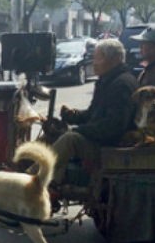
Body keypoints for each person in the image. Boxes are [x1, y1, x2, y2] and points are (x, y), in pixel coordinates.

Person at [50, 39, 138, 186]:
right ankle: (42, 176)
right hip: (100, 139)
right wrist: (72, 116)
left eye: (98, 58)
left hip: (109, 145)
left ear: (114, 59)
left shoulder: (122, 84)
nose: (94, 62)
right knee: (53, 134)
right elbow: (93, 114)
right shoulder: (108, 80)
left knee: (70, 139)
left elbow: (113, 126)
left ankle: (32, 178)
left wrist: (79, 130)